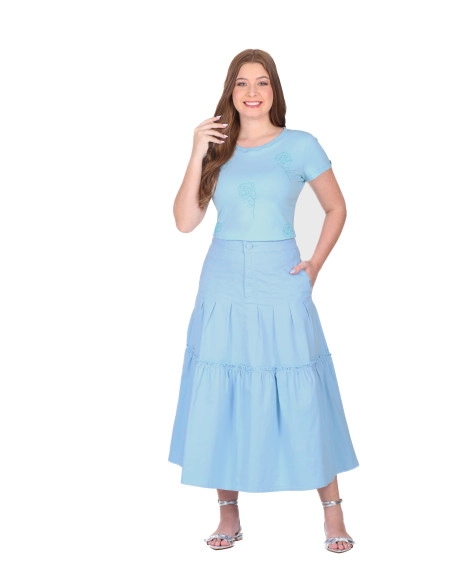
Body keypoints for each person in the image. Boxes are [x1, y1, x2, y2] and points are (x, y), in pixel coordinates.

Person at [168, 48, 358, 553]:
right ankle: (227, 511)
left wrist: (315, 263)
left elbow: (336, 208)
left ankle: (333, 512)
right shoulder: (217, 149)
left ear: (274, 89)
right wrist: (196, 151)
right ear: (230, 91)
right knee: (222, 388)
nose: (251, 92)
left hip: (280, 277)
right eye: (241, 82)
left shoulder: (301, 145)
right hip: (223, 279)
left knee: (302, 384)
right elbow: (185, 222)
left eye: (262, 82)